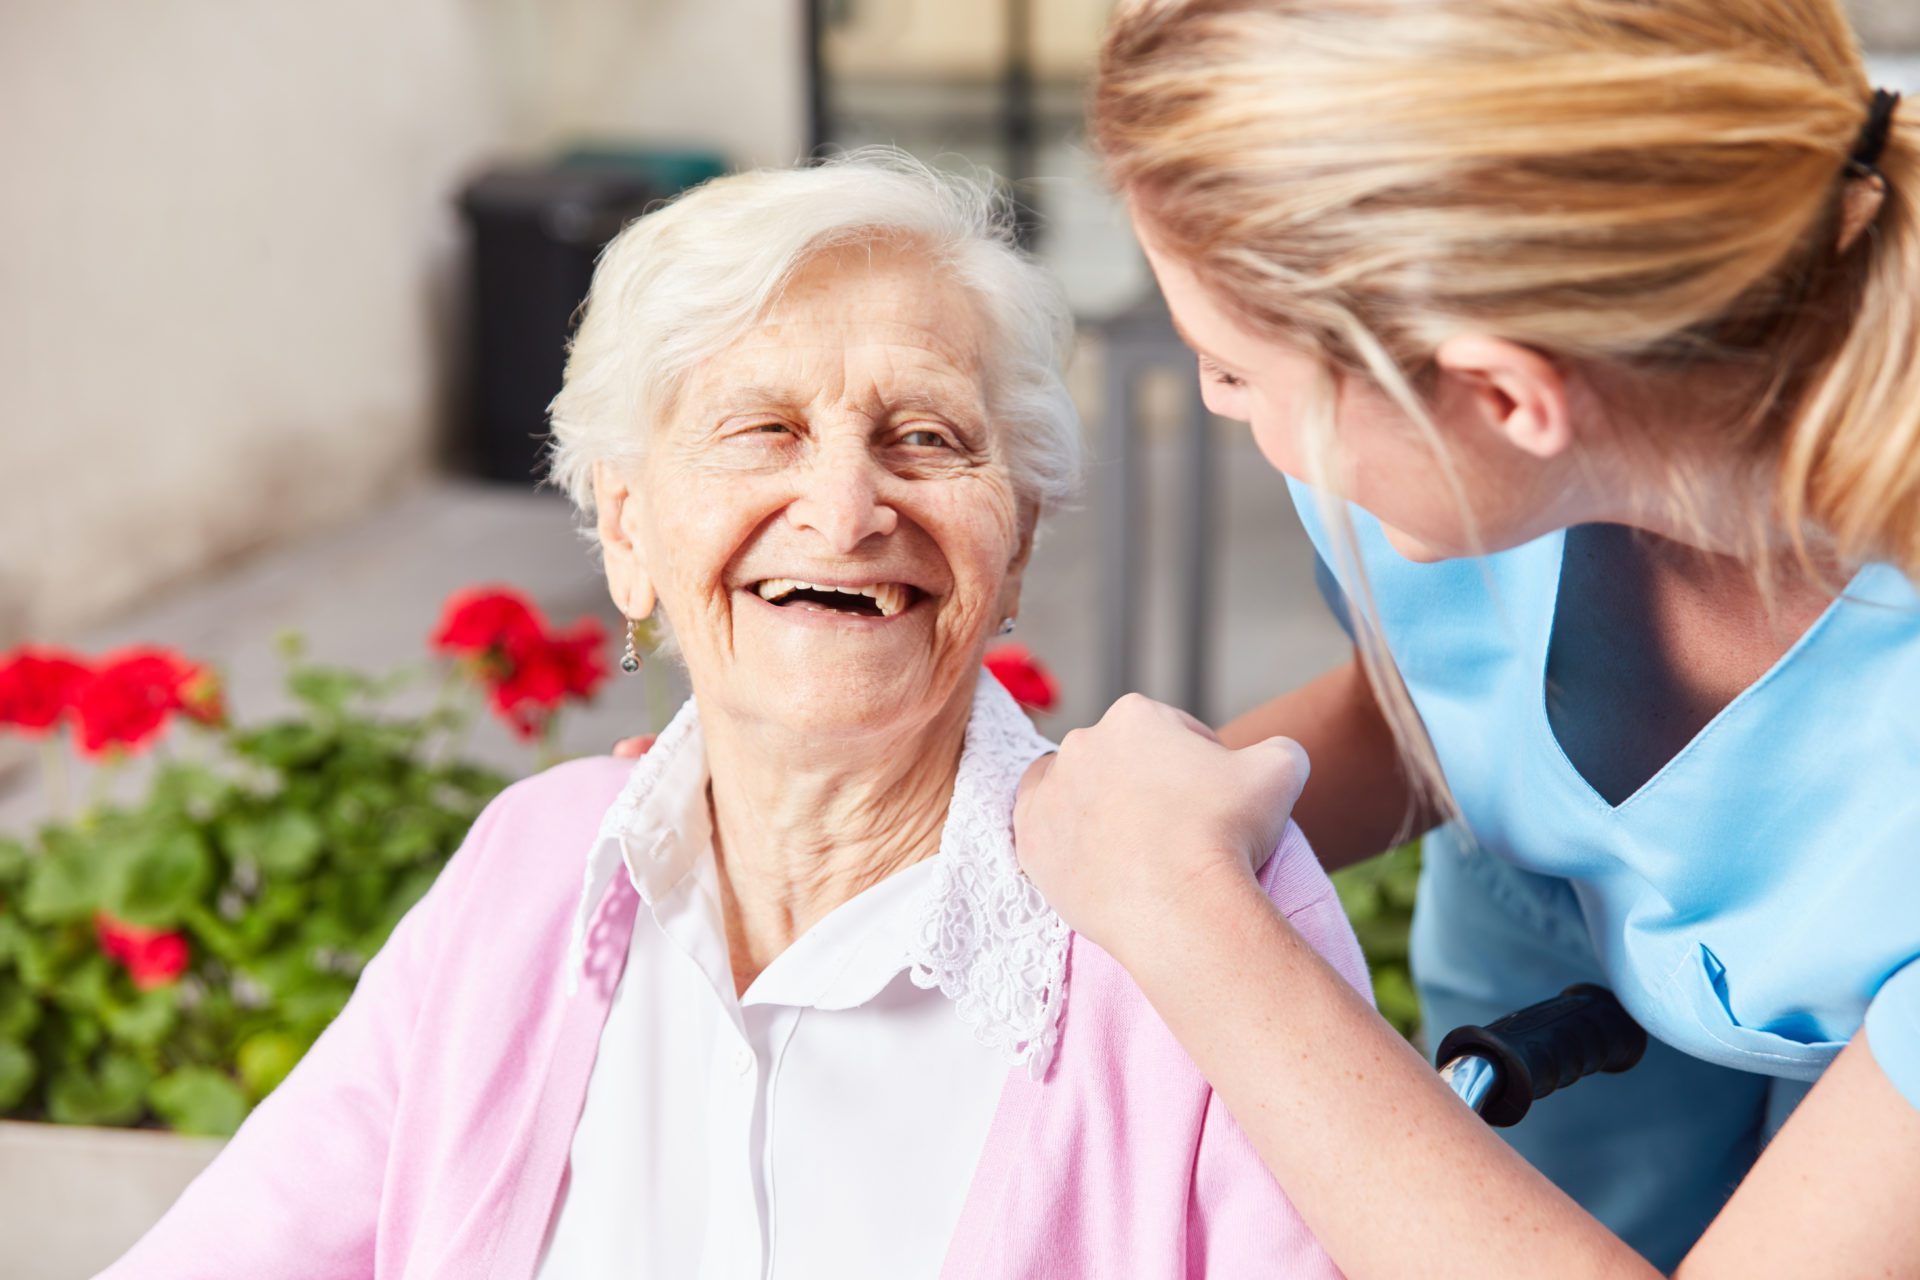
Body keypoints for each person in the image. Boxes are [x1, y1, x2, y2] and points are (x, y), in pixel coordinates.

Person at [101, 152, 1367, 1279]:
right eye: (761, 430)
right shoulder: (531, 872)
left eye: (926, 437)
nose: (846, 507)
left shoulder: (1196, 916)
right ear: (628, 531)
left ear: (1017, 542)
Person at [1013, 1, 1920, 1276]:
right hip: (1544, 918)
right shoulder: (1460, 468)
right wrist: (1075, 843)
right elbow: (1445, 706)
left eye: (1232, 371)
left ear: (1498, 394)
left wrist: (1186, 913)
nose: (1224, 404)